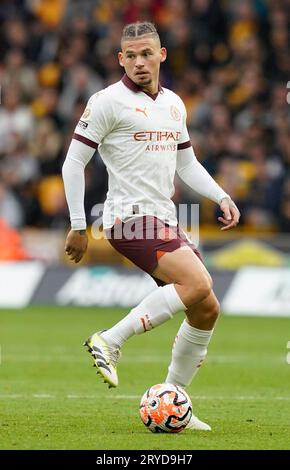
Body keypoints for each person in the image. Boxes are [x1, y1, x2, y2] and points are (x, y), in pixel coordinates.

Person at [62, 22, 240, 431]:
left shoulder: (174, 104)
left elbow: (187, 164)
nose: (140, 62)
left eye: (147, 54)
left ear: (161, 55)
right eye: (131, 55)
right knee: (197, 284)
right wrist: (76, 224)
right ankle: (111, 339)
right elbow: (74, 162)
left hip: (165, 219)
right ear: (120, 59)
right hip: (127, 219)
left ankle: (176, 402)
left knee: (206, 307)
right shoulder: (107, 102)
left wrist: (221, 196)